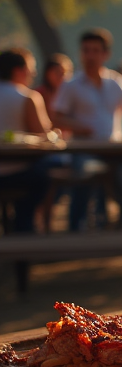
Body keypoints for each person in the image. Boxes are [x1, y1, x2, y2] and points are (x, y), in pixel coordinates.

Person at [55, 29, 122, 229]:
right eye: (86, 50)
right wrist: (81, 128)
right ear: (81, 53)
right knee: (85, 179)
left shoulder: (116, 82)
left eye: (95, 50)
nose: (90, 56)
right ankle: (76, 228)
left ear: (105, 54)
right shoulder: (72, 85)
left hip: (114, 150)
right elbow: (57, 116)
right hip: (82, 149)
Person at [0, 48, 52, 232]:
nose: (34, 73)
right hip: (19, 173)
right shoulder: (28, 97)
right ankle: (24, 228)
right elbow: (44, 136)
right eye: (31, 68)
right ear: (18, 71)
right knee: (44, 177)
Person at [37, 54, 73, 130]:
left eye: (64, 73)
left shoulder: (71, 94)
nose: (61, 77)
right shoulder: (38, 94)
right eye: (57, 72)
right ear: (47, 73)